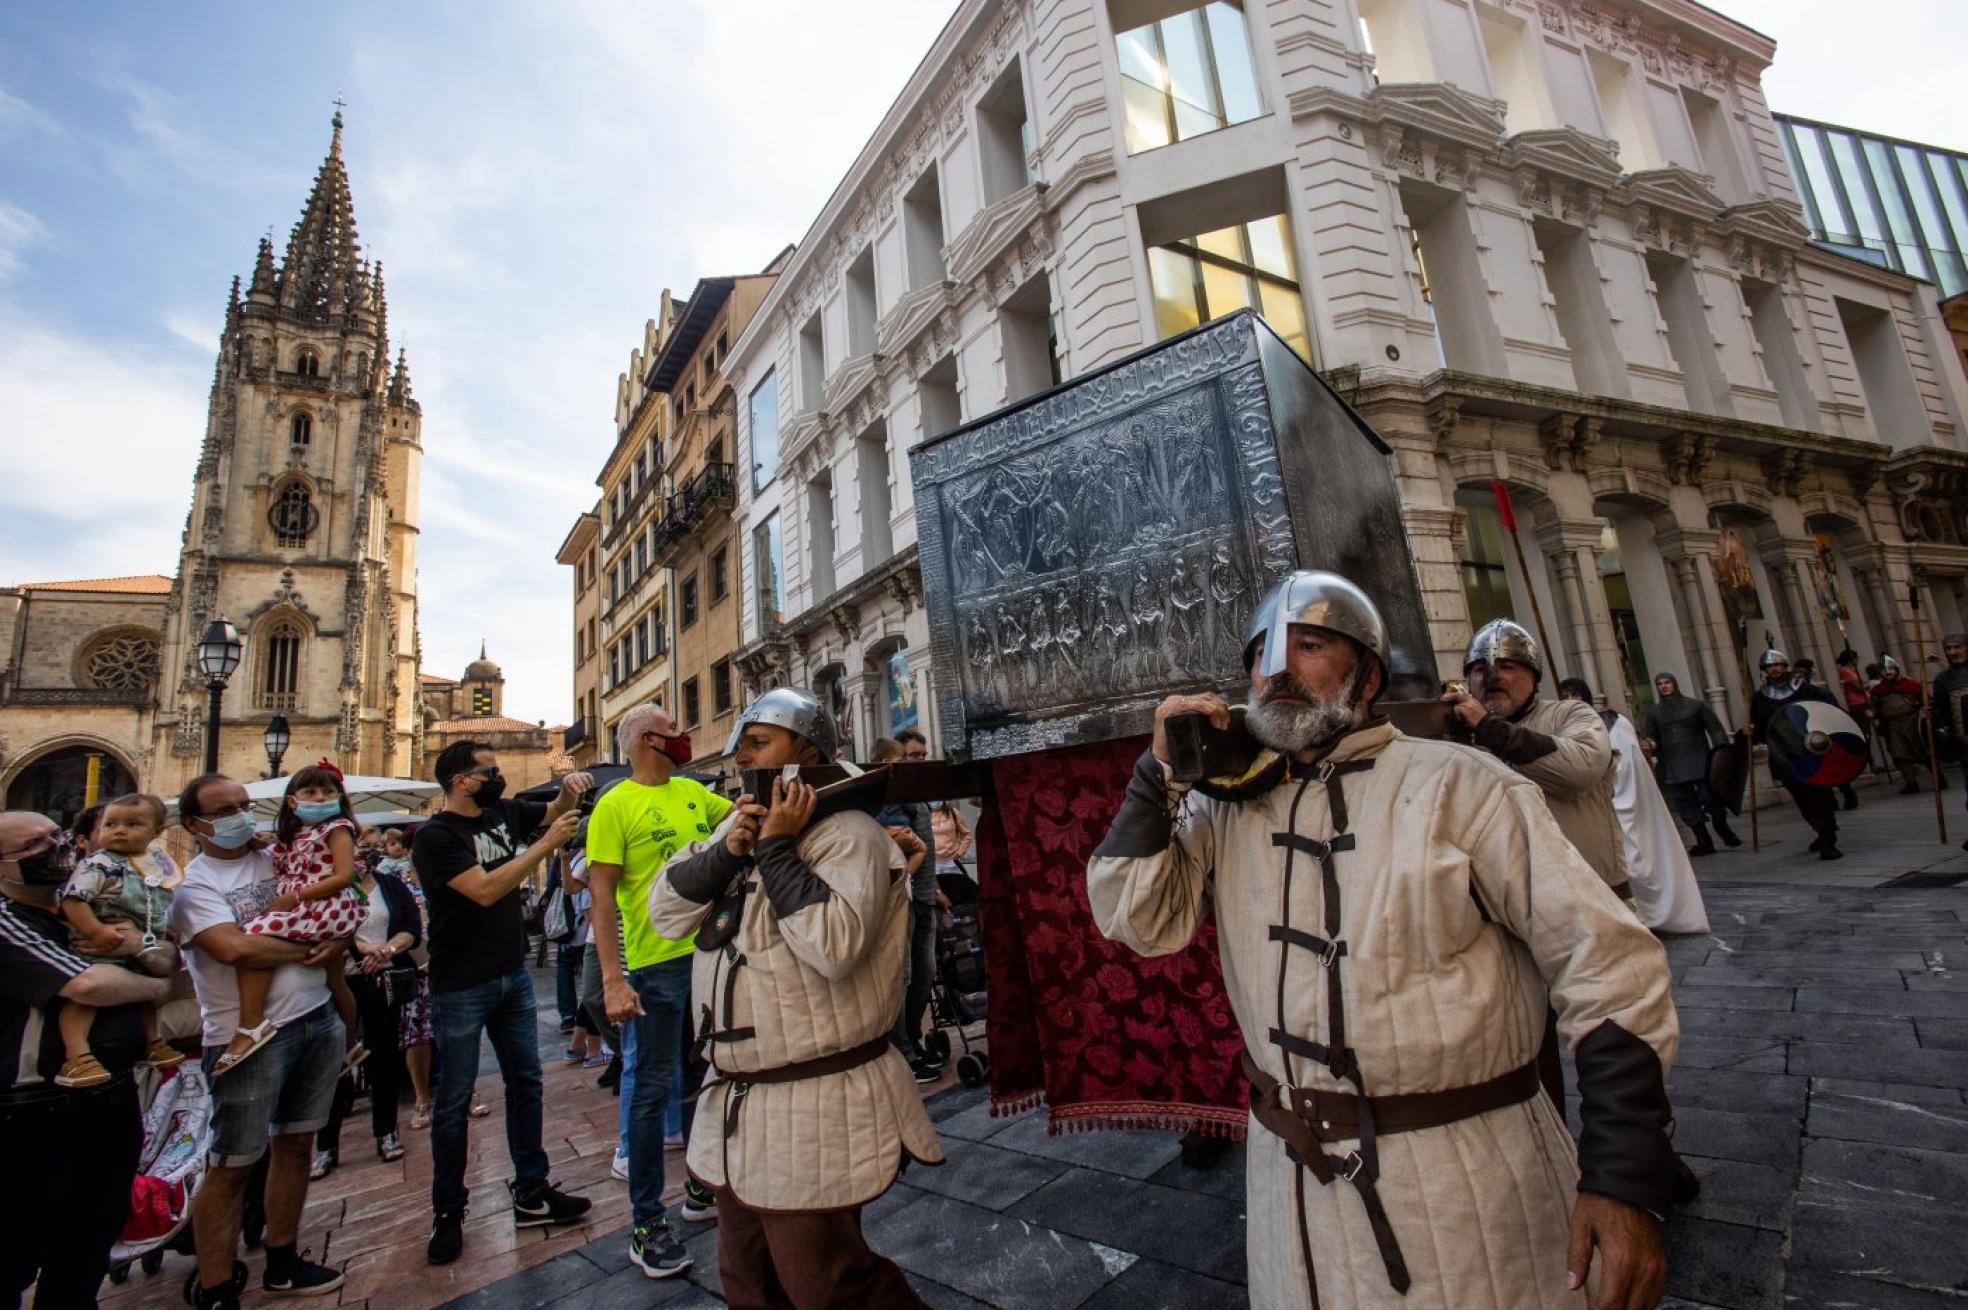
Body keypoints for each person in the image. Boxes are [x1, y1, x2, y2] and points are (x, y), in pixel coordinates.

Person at [1088, 571, 1677, 1309]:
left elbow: (1609, 967)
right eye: (1263, 653)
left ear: (1365, 672)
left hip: (1466, 1191)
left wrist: (1623, 1177)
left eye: (1308, 646)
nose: (1278, 669)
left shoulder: (1467, 786)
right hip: (1289, 1204)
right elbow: (1135, 920)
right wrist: (1160, 778)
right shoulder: (1225, 812)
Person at [649, 687, 943, 1308]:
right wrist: (733, 849)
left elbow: (834, 947)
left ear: (806, 750)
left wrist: (777, 848)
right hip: (738, 1104)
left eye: (759, 744)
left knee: (829, 1284)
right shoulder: (738, 823)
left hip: (815, 1100)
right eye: (742, 748)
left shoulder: (852, 836)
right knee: (749, 1284)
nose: (745, 762)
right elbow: (665, 912)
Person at [413, 741, 594, 1265]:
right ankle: (448, 1211)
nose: (496, 776)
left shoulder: (500, 814)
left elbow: (552, 813)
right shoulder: (436, 838)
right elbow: (486, 890)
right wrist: (544, 847)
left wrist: (567, 792)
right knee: (453, 1103)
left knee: (526, 1084)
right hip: (462, 984)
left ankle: (532, 1191)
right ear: (459, 781)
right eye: (487, 771)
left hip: (511, 976)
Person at [170, 773, 345, 1308]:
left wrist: (336, 934)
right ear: (194, 825)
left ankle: (283, 1260)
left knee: (295, 1143)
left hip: (316, 1015)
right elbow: (235, 951)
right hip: (246, 1037)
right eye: (225, 811)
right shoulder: (194, 887)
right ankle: (217, 1285)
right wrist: (314, 945)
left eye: (245, 805)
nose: (241, 817)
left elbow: (334, 900)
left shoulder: (279, 858)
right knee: (230, 1163)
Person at [2, 809, 170, 1309]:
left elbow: (165, 953)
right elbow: (87, 984)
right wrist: (152, 985)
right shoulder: (8, 919)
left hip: (107, 1098)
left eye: (56, 836)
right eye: (32, 846)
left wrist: (144, 949)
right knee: (15, 1253)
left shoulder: (86, 906)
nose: (55, 849)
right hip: (30, 1111)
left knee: (84, 1249)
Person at [584, 703, 729, 1278]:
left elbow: (746, 814)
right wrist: (614, 980)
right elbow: (600, 900)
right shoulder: (615, 805)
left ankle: (699, 1189)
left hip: (711, 958)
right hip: (655, 969)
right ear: (648, 740)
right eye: (673, 730)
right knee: (649, 1093)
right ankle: (646, 1224)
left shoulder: (693, 792)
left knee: (704, 1077)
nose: (683, 737)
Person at [1445, 619, 1627, 897]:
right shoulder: (1463, 736)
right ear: (1468, 682)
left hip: (1591, 897)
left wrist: (1488, 729)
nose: (1494, 677)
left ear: (1533, 676)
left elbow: (1579, 770)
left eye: (1508, 666)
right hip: (1510, 904)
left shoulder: (1571, 715)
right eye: (1481, 670)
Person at [217, 763, 366, 1076]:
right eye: (310, 792)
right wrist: (262, 843)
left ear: (340, 795)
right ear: (292, 802)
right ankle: (351, 1047)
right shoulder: (299, 834)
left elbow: (344, 875)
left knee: (255, 937)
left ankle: (251, 1022)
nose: (320, 797)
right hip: (317, 908)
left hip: (324, 906)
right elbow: (288, 860)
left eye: (327, 791)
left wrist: (293, 898)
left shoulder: (337, 829)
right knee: (336, 980)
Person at [54, 792, 185, 1085]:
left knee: (145, 996)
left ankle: (151, 1041)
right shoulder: (99, 863)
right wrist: (96, 932)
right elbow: (73, 900)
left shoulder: (152, 863)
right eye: (110, 824)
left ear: (157, 832)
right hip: (101, 941)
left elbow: (156, 902)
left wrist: (164, 930)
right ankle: (76, 1056)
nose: (119, 830)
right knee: (85, 1001)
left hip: (136, 943)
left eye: (133, 824)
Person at [1560, 679, 1709, 934]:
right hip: (1597, 806)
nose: (1570, 701)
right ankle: (1631, 914)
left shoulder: (1613, 723)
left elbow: (1625, 764)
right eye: (1565, 696)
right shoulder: (1566, 727)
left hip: (1625, 798)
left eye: (1575, 695)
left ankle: (1653, 913)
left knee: (1637, 857)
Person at [313, 840, 423, 1177]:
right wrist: (361, 948)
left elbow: (411, 928)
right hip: (340, 981)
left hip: (382, 979)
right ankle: (326, 1145)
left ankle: (387, 1131)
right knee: (335, 1062)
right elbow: (321, 928)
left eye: (364, 852)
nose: (359, 858)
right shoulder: (328, 888)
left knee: (384, 1056)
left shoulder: (391, 886)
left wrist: (387, 949)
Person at [869, 736, 938, 1081]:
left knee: (924, 973)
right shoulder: (887, 796)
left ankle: (911, 1037)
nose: (918, 761)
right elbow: (887, 838)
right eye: (911, 756)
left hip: (924, 896)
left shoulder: (917, 792)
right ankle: (902, 1050)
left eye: (922, 755)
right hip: (902, 899)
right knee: (904, 974)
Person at [1749, 649, 1844, 860]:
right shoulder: (1759, 698)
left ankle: (1828, 839)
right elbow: (1760, 731)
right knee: (1802, 800)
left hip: (1811, 751)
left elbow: (1829, 713)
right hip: (1784, 755)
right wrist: (1749, 731)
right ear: (1764, 671)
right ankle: (1819, 830)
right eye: (1769, 666)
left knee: (1819, 796)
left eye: (1777, 665)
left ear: (1785, 666)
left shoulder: (1807, 691)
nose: (1774, 669)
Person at [1642, 673, 1741, 856]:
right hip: (1674, 765)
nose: (1663, 687)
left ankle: (1722, 828)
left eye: (1667, 683)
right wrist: (1651, 744)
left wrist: (1721, 754)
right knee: (1686, 805)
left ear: (1675, 684)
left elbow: (1716, 729)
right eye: (1659, 684)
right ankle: (1703, 840)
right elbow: (1653, 737)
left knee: (1712, 800)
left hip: (1701, 762)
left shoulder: (1696, 706)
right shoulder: (1654, 713)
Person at [1872, 656, 1940, 794]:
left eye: (1890, 669)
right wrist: (1871, 711)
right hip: (1892, 726)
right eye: (1884, 670)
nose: (1888, 672)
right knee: (1900, 755)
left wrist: (1926, 708)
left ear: (1896, 669)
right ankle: (1911, 783)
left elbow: (1927, 700)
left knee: (1925, 751)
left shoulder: (1911, 685)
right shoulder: (1877, 691)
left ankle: (1939, 779)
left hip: (1914, 722)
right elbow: (1874, 708)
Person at [1934, 632, 1968, 852]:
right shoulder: (1943, 680)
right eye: (1949, 648)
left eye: (1957, 647)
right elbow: (1943, 714)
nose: (1953, 652)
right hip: (1966, 744)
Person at [1834, 650, 1870, 810]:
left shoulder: (1852, 671)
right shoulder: (1846, 671)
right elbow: (1859, 687)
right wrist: (1865, 685)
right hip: (1856, 705)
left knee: (1867, 734)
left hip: (1862, 704)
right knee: (1863, 734)